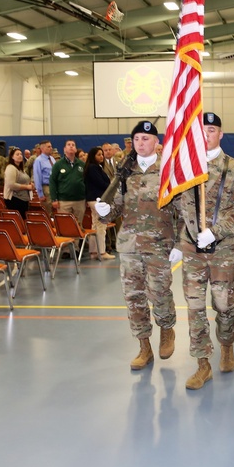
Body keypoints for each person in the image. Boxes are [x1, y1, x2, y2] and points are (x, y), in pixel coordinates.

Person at [172, 113, 234, 390]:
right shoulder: (185, 167)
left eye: (212, 130)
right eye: (202, 130)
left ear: (221, 134)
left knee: (223, 303)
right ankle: (202, 362)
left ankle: (227, 344)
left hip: (222, 248)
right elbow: (175, 206)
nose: (207, 135)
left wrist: (215, 232)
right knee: (194, 306)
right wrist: (177, 241)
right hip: (191, 247)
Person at [94, 121, 177, 371]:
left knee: (160, 292)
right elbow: (118, 206)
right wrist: (106, 212)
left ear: (156, 142)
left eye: (146, 139)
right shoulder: (124, 170)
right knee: (134, 297)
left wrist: (181, 242)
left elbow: (182, 207)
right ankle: (144, 346)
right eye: (137, 139)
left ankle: (166, 329)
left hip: (159, 242)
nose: (141, 144)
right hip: (129, 243)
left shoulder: (168, 170)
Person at [82, 146, 114, 261]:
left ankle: (94, 251)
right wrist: (110, 185)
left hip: (94, 199)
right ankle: (102, 251)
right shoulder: (93, 168)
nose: (101, 156)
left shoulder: (97, 167)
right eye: (98, 154)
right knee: (101, 225)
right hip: (97, 200)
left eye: (102, 154)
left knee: (95, 225)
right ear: (93, 156)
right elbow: (102, 183)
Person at [50, 140, 86, 225]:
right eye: (68, 145)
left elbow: (87, 181)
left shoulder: (82, 164)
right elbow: (52, 182)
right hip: (64, 201)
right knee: (66, 225)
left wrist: (87, 197)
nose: (71, 146)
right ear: (64, 149)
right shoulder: (58, 165)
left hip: (80, 200)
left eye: (73, 145)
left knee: (78, 226)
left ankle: (77, 239)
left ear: (76, 149)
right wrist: (54, 199)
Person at [3, 147, 35, 217]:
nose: (20, 155)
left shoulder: (20, 169)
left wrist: (30, 184)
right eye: (17, 154)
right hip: (15, 199)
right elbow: (11, 185)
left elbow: (24, 180)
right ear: (12, 157)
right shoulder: (11, 168)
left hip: (23, 199)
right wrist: (26, 187)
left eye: (21, 154)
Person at [32, 140, 54, 212]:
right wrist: (40, 194)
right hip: (46, 188)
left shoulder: (52, 159)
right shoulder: (38, 160)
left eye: (51, 146)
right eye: (48, 147)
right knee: (49, 211)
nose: (51, 148)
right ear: (42, 149)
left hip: (55, 187)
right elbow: (37, 178)